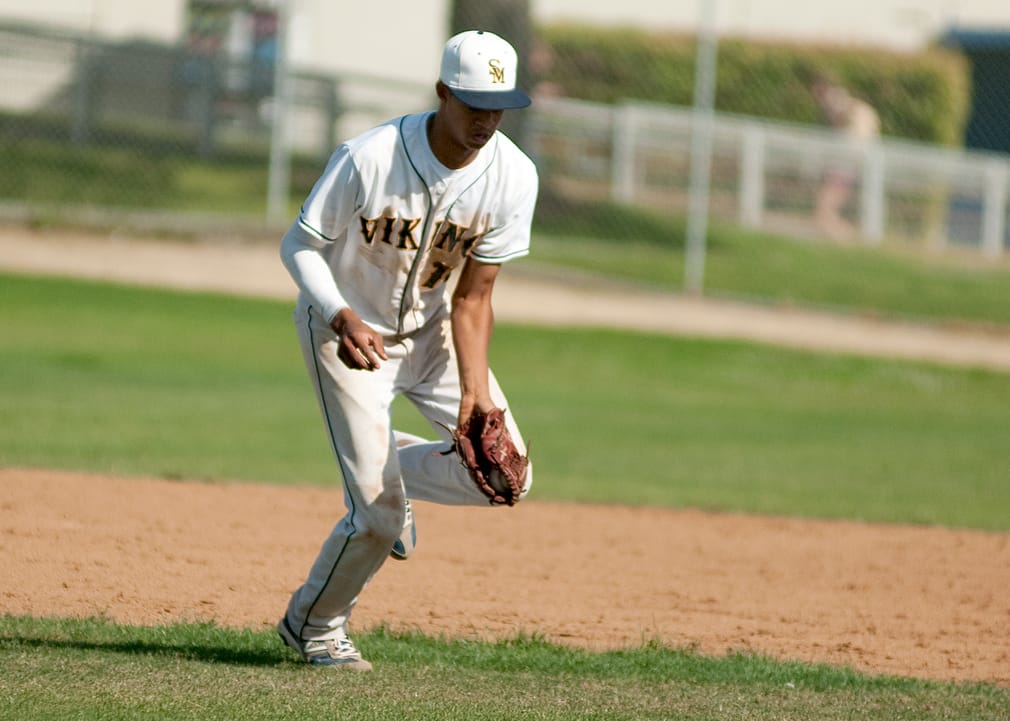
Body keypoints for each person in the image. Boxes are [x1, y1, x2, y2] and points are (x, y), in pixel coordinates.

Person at [275, 29, 537, 670]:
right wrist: (338, 314)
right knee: (378, 519)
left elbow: (474, 298)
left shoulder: (513, 176)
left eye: (498, 104)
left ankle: (382, 466)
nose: (486, 119)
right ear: (443, 91)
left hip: (432, 337)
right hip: (348, 337)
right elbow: (299, 245)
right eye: (473, 102)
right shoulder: (370, 157)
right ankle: (313, 628)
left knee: (507, 477)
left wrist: (475, 395)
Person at [810, 72, 880, 240]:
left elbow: (844, 118)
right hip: (846, 157)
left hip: (845, 157)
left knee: (829, 199)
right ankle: (835, 228)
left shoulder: (836, 101)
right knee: (830, 198)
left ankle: (839, 230)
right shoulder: (840, 101)